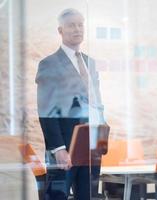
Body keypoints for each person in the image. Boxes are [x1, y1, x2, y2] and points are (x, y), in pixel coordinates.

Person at [36, 8, 106, 199]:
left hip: (91, 145)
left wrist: (102, 133)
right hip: (64, 149)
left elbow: (96, 102)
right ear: (60, 30)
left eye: (80, 25)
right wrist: (58, 148)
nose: (77, 29)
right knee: (58, 196)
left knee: (88, 196)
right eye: (71, 25)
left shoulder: (90, 63)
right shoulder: (49, 64)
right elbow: (46, 109)